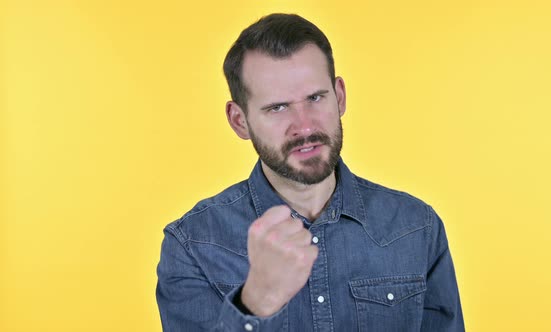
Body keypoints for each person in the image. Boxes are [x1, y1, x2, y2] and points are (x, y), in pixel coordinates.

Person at [156, 13, 464, 332]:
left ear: (339, 96)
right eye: (277, 107)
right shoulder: (192, 244)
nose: (304, 126)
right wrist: (255, 304)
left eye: (315, 98)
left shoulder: (416, 227)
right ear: (239, 120)